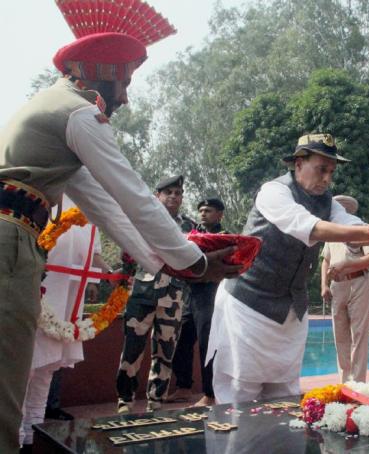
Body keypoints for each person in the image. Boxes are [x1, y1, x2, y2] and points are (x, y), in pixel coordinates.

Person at [0, 3, 239, 449]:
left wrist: (164, 264)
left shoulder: (53, 111)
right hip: (9, 241)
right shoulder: (78, 113)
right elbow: (135, 197)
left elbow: (106, 207)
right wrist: (195, 263)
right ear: (100, 74)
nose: (126, 97)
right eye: (124, 82)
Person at [207, 133, 369, 404]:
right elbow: (309, 227)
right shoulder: (273, 192)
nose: (326, 179)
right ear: (298, 164)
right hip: (248, 304)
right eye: (321, 169)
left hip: (291, 309)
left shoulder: (328, 202)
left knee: (284, 395)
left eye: (331, 172)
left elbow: (349, 224)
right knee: (240, 393)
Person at [19, 195, 109, 449]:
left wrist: (113, 275)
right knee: (26, 368)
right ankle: (15, 436)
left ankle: (32, 435)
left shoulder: (88, 203)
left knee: (46, 369)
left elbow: (94, 253)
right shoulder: (43, 193)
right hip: (37, 290)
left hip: (68, 298)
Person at [115, 175, 198, 414]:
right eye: (168, 192)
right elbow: (127, 256)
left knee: (165, 352)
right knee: (132, 349)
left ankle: (156, 401)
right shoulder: (143, 221)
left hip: (174, 295)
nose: (173, 196)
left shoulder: (189, 226)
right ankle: (125, 401)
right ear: (157, 196)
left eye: (178, 193)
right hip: (143, 292)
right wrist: (123, 284)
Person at [170, 197, 226, 407]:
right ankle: (183, 386)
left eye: (208, 210)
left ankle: (210, 394)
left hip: (210, 295)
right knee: (180, 341)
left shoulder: (225, 237)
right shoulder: (190, 235)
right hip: (189, 294)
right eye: (201, 210)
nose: (203, 213)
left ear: (219, 214)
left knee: (206, 344)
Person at [320, 195, 369, 383]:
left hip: (358, 281)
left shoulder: (361, 228)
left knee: (359, 335)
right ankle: (345, 382)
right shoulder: (331, 232)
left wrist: (347, 264)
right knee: (340, 336)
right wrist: (324, 285)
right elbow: (326, 260)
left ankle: (358, 382)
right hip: (337, 286)